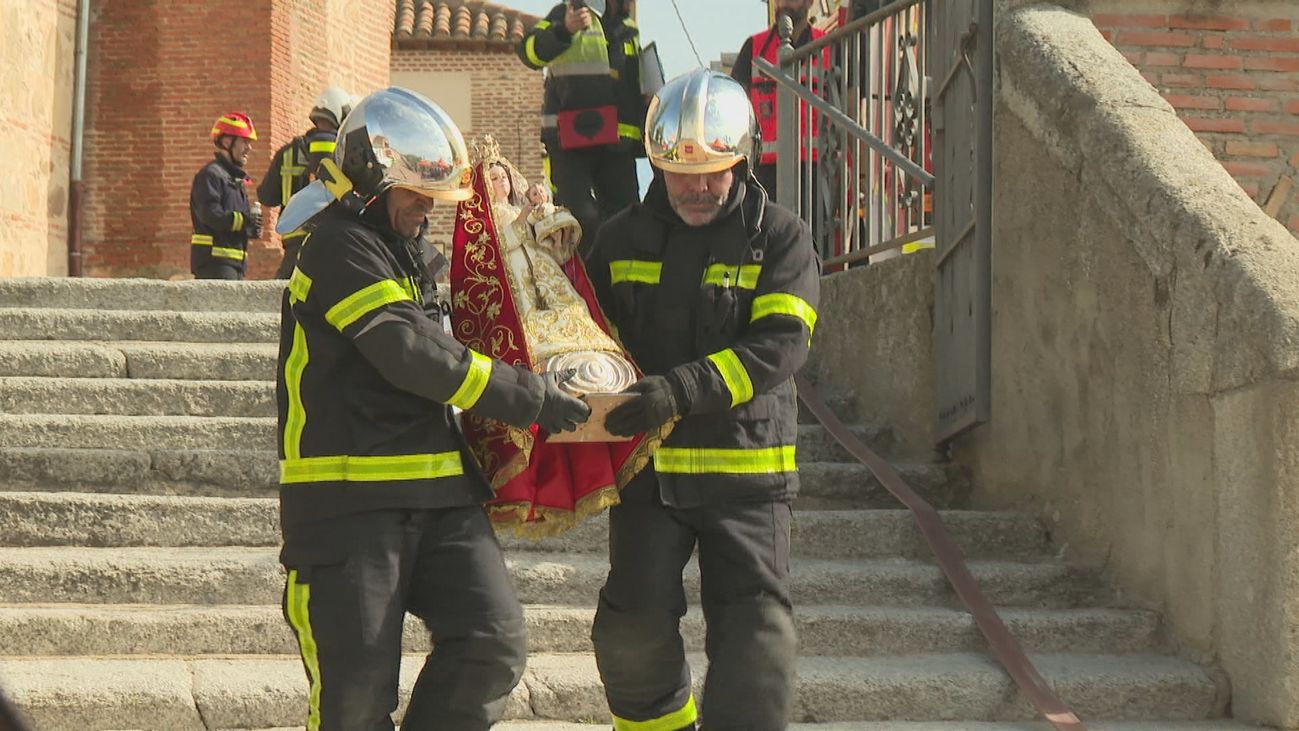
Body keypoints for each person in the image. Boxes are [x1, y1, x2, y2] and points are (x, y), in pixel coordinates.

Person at [272, 87, 591, 731]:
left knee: (493, 643)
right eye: (415, 192)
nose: (427, 208)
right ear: (370, 180)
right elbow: (412, 355)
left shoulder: (408, 254)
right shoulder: (337, 249)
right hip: (349, 507)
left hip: (440, 495)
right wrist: (530, 397)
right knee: (353, 705)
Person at [586, 68, 821, 730]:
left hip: (744, 473)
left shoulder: (779, 238)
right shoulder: (619, 239)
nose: (695, 186)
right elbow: (582, 335)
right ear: (654, 163)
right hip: (648, 476)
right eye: (678, 172)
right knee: (629, 628)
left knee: (755, 639)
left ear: (740, 159)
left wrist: (677, 390)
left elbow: (779, 346)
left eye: (713, 171)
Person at [449, 138, 661, 536]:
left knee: (587, 345)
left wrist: (547, 213)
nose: (500, 184)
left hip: (551, 289)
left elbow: (558, 244)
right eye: (491, 178)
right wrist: (524, 219)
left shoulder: (517, 210)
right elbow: (494, 249)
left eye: (502, 176)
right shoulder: (483, 221)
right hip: (518, 301)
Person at [518, 0, 647, 259]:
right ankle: (583, 286)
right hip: (571, 143)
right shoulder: (565, 14)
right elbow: (529, 51)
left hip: (618, 144)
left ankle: (619, 291)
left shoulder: (628, 28)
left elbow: (636, 84)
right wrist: (565, 30)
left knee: (627, 219)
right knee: (579, 218)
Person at [730, 0, 828, 202]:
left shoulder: (828, 47)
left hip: (817, 173)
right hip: (763, 175)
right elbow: (732, 111)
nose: (784, 2)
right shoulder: (754, 47)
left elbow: (847, 110)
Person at [259, 87, 356, 278]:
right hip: (331, 239)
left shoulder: (287, 153)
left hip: (294, 241)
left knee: (284, 295)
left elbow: (267, 197)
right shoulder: (343, 150)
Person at [190, 112, 261, 280]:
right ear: (227, 142)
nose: (249, 148)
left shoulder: (235, 179)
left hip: (235, 264)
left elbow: (234, 222)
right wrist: (245, 220)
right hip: (214, 264)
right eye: (244, 142)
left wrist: (252, 227)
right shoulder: (211, 175)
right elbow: (211, 215)